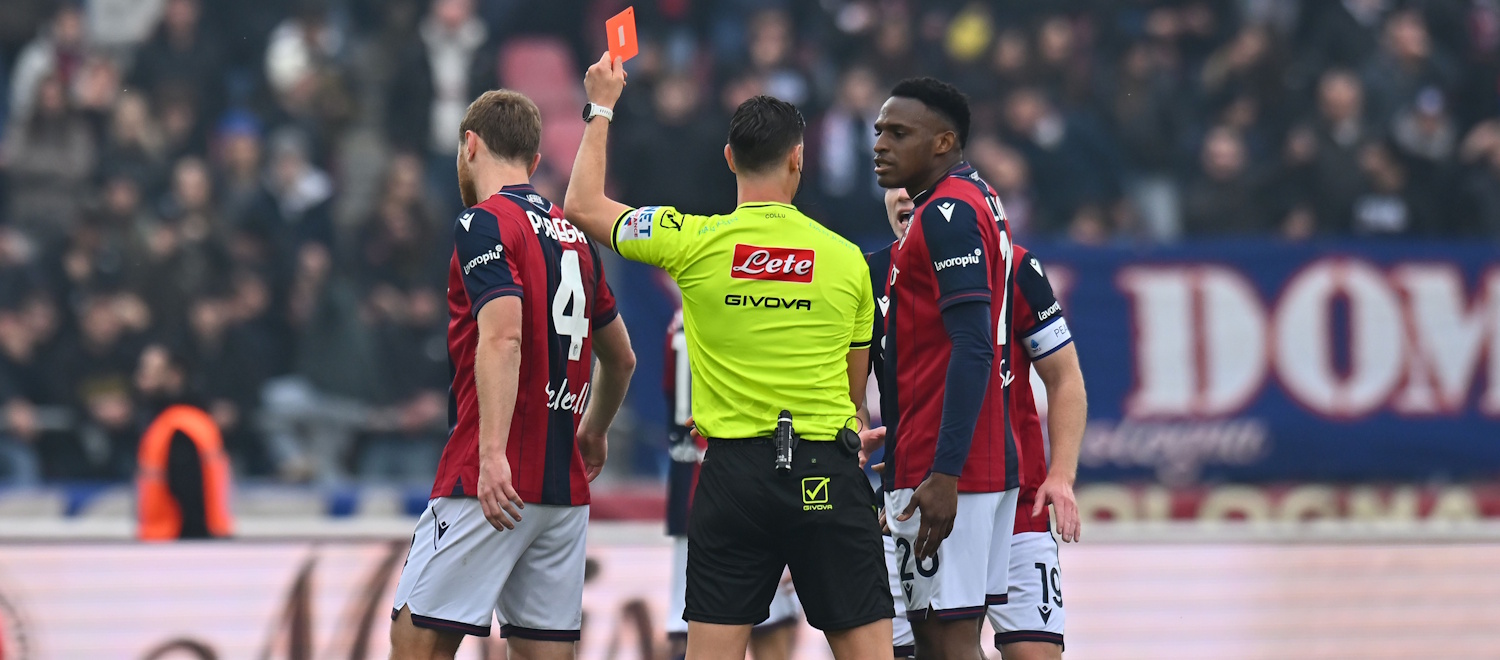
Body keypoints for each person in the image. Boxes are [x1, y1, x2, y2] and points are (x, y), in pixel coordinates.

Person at [564, 53, 893, 660]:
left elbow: (582, 206)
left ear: (729, 159)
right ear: (799, 159)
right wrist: (850, 432)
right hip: (826, 470)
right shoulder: (848, 260)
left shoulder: (692, 240)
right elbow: (854, 395)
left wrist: (602, 105)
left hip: (734, 477)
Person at [389, 89, 637, 660]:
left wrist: (492, 455)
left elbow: (503, 336)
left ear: (469, 146)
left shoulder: (482, 223)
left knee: (415, 641)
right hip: (562, 491)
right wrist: (594, 430)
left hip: (489, 481)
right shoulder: (577, 238)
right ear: (533, 159)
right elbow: (621, 357)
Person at [871, 77, 1021, 660]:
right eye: (879, 131)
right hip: (969, 457)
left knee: (947, 638)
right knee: (943, 638)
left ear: (943, 142)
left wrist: (946, 471)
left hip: (948, 463)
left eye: (898, 133)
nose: (881, 144)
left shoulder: (946, 212)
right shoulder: (976, 197)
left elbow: (974, 345)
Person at [663, 308, 800, 660]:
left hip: (690, 482)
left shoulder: (679, 319)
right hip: (745, 476)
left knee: (689, 629)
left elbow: (668, 389)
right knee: (770, 631)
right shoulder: (749, 309)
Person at [135, 344, 235, 541]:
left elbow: (189, 492)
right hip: (190, 536)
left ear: (174, 376)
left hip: (177, 538)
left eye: (151, 372)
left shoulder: (176, 426)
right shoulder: (192, 419)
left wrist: (189, 543)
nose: (141, 380)